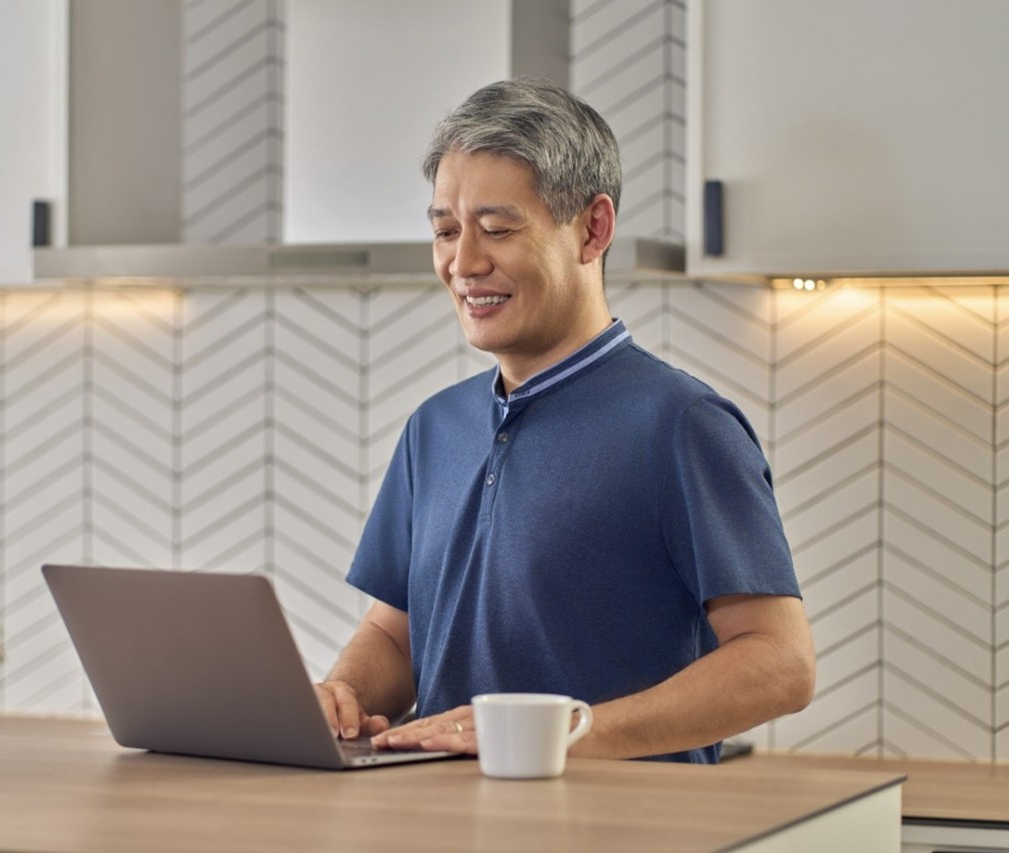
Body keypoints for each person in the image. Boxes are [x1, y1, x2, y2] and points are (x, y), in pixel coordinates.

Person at [313, 77, 815, 764]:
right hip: (436, 810)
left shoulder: (681, 424)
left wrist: (563, 734)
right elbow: (396, 636)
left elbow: (780, 663)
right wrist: (344, 691)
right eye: (446, 231)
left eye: (497, 229)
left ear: (592, 229)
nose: (463, 263)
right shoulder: (433, 428)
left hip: (615, 817)